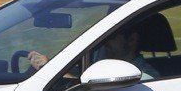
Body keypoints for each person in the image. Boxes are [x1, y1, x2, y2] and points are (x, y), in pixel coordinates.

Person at [24, 26, 159, 79]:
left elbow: (88, 90)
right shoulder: (98, 56)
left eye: (110, 37)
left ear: (132, 40)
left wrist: (50, 69)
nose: (104, 43)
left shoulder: (145, 77)